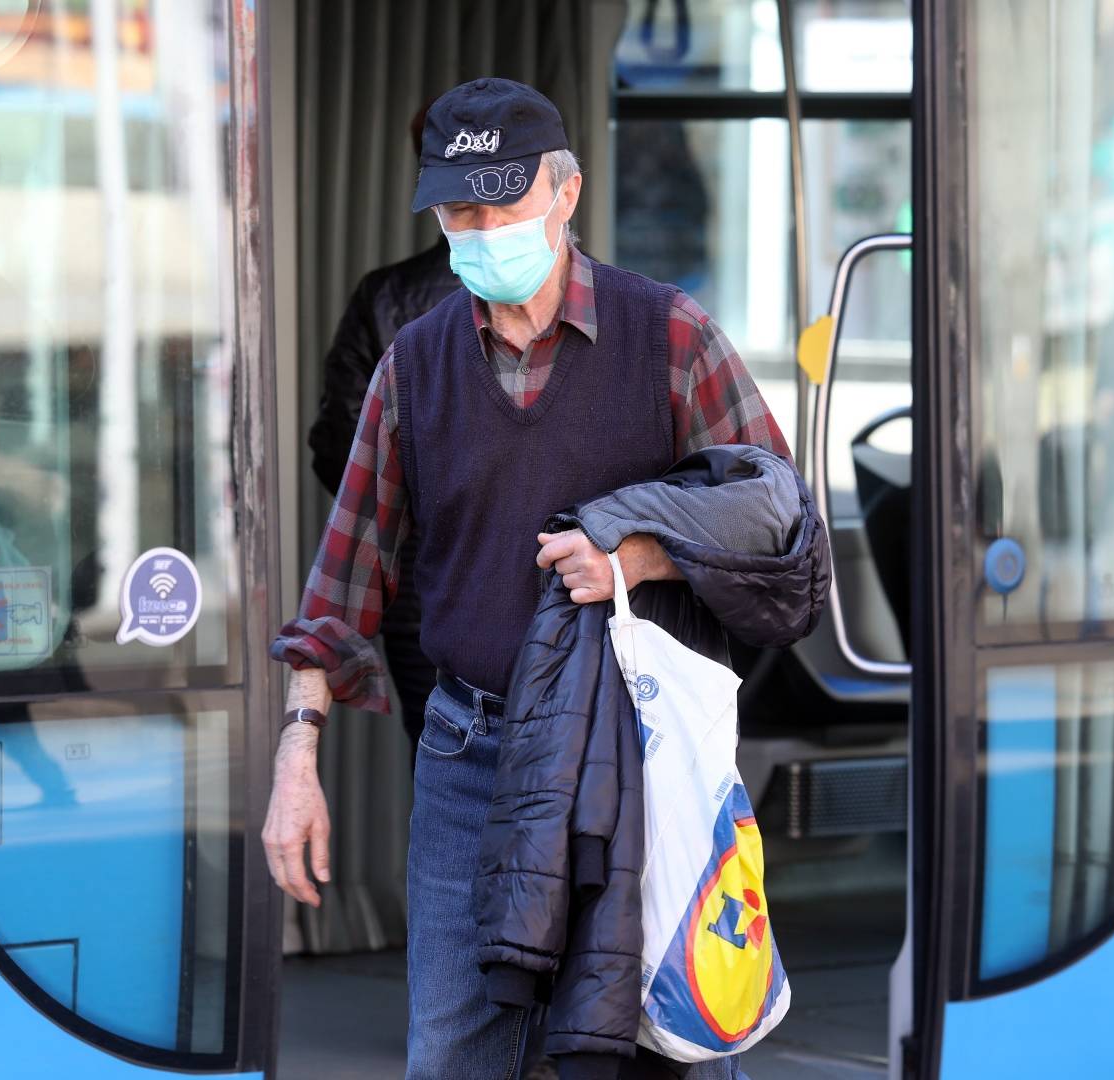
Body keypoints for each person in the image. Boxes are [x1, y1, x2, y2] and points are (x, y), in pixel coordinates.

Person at [264, 79, 788, 1079]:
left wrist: (642, 555)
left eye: (503, 203)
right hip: (471, 752)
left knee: (668, 1042)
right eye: (459, 210)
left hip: (645, 754)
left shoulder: (671, 338)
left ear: (566, 193)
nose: (481, 228)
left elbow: (777, 519)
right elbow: (343, 578)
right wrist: (298, 759)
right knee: (456, 1051)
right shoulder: (413, 365)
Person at [308, 105, 459, 752]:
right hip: (564, 589)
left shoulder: (389, 298)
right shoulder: (602, 297)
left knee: (445, 764)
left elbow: (336, 449)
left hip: (423, 591)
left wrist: (412, 513)